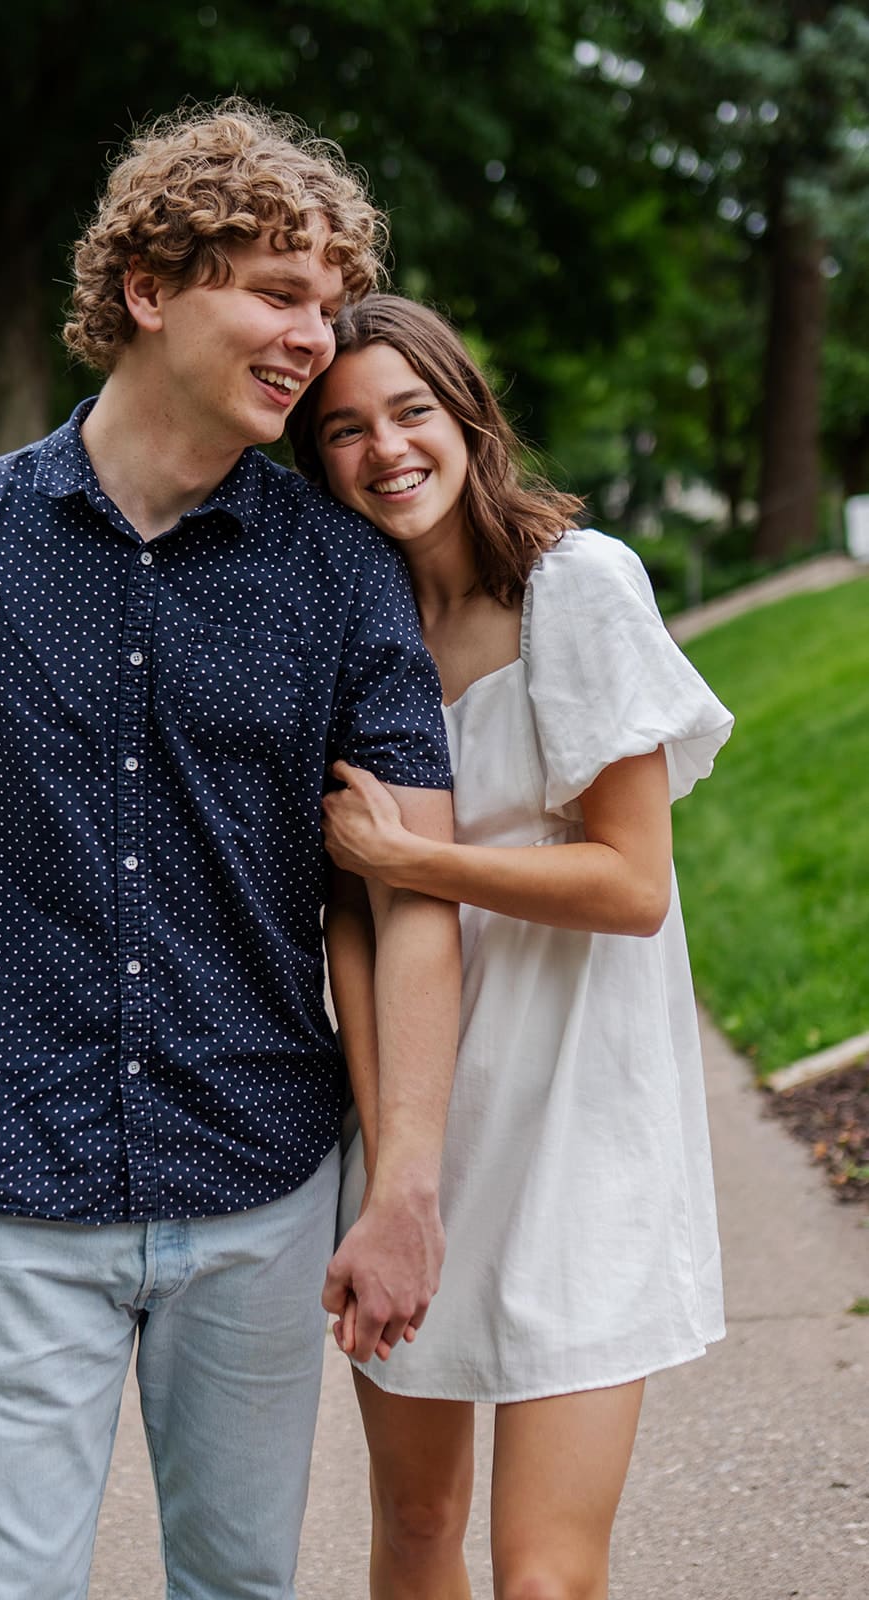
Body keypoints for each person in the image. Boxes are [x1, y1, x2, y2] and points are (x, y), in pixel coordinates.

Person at [0, 107, 461, 1600]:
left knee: (240, 1587)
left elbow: (412, 891)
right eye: (277, 292)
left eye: (327, 303)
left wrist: (405, 1189)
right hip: (14, 1175)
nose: (314, 336)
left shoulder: (341, 572)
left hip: (257, 1184)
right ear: (148, 288)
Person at [288, 293, 734, 1600]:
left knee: (543, 1574)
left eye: (411, 412)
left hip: (585, 1145)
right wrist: (388, 1171)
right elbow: (353, 930)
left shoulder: (577, 593)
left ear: (467, 418)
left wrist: (414, 858)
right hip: (424, 1140)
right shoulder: (352, 646)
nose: (386, 451)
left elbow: (630, 880)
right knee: (417, 1525)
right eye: (343, 430)